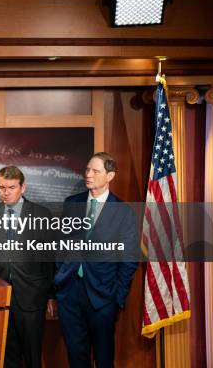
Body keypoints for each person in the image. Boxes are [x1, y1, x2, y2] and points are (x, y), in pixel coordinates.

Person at [54, 152, 138, 368]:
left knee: (103, 358)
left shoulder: (123, 211)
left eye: (95, 171)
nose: (88, 175)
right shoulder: (72, 203)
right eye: (87, 170)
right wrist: (59, 280)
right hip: (70, 294)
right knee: (76, 356)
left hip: (104, 297)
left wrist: (116, 298)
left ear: (110, 176)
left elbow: (128, 259)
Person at [0, 166, 55, 368]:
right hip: (0, 295)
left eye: (11, 187)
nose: (5, 192)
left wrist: (50, 294)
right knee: (6, 355)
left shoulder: (41, 214)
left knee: (33, 355)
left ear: (22, 187)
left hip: (32, 297)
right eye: (1, 187)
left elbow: (48, 259)